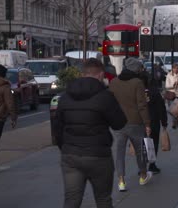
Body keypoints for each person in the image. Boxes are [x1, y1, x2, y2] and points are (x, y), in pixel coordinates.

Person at [54, 58, 127, 208]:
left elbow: (57, 129)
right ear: (100, 75)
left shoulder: (65, 97)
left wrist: (67, 147)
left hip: (71, 155)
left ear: (82, 74)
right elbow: (119, 124)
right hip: (98, 154)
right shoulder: (105, 96)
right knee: (103, 199)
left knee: (71, 200)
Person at [108, 57, 153, 192]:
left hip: (118, 123)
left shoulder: (114, 82)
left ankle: (121, 181)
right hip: (135, 122)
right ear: (135, 69)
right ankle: (143, 175)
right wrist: (147, 123)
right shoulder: (137, 82)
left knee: (119, 152)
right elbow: (142, 105)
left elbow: (110, 103)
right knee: (140, 151)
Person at [139, 72, 168, 174]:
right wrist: (164, 121)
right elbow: (161, 108)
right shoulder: (154, 92)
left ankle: (142, 166)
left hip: (140, 121)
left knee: (141, 143)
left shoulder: (138, 91)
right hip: (153, 120)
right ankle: (152, 164)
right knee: (153, 143)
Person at [165, 63, 178, 129]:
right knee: (172, 110)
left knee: (177, 110)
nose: (176, 69)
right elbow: (166, 86)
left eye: (177, 68)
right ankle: (175, 122)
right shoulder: (169, 75)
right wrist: (173, 85)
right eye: (175, 68)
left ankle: (175, 123)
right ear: (172, 69)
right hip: (171, 94)